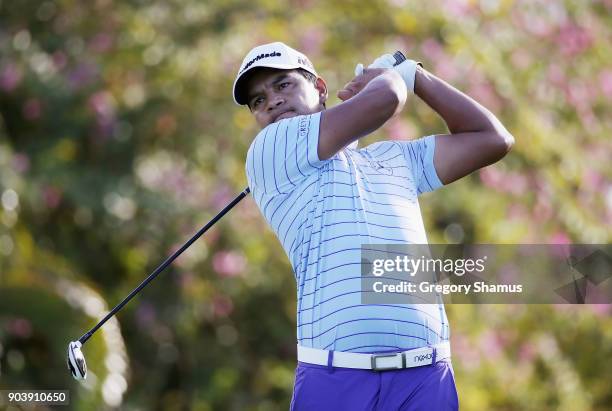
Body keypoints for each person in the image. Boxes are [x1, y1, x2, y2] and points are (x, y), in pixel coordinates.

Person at [233, 42, 514, 411]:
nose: (270, 101)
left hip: (425, 377)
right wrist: (389, 76)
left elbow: (492, 139)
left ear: (320, 88)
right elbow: (386, 99)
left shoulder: (394, 159)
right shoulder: (270, 149)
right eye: (258, 100)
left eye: (283, 85)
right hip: (336, 381)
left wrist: (417, 75)